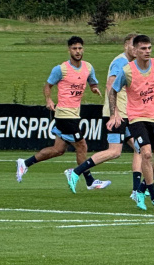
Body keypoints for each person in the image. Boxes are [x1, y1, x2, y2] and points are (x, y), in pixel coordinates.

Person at [16, 36, 106, 189]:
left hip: (75, 113)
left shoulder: (88, 67)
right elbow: (48, 86)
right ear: (69, 50)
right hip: (64, 114)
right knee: (82, 146)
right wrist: (49, 100)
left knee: (58, 150)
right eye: (74, 48)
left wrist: (94, 88)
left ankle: (25, 163)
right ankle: (89, 181)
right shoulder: (61, 69)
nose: (77, 51)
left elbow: (92, 81)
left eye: (79, 48)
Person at [107, 35, 154, 211]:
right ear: (135, 50)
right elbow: (113, 91)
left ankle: (141, 189)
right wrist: (114, 113)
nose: (147, 51)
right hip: (136, 118)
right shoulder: (127, 70)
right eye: (143, 49)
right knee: (145, 153)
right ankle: (153, 196)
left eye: (149, 48)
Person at [65, 33, 139, 193]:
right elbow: (110, 85)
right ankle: (76, 172)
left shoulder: (130, 63)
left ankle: (138, 190)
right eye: (134, 45)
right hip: (117, 114)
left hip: (126, 114)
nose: (137, 49)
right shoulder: (120, 62)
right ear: (126, 45)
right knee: (114, 152)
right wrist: (115, 113)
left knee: (141, 148)